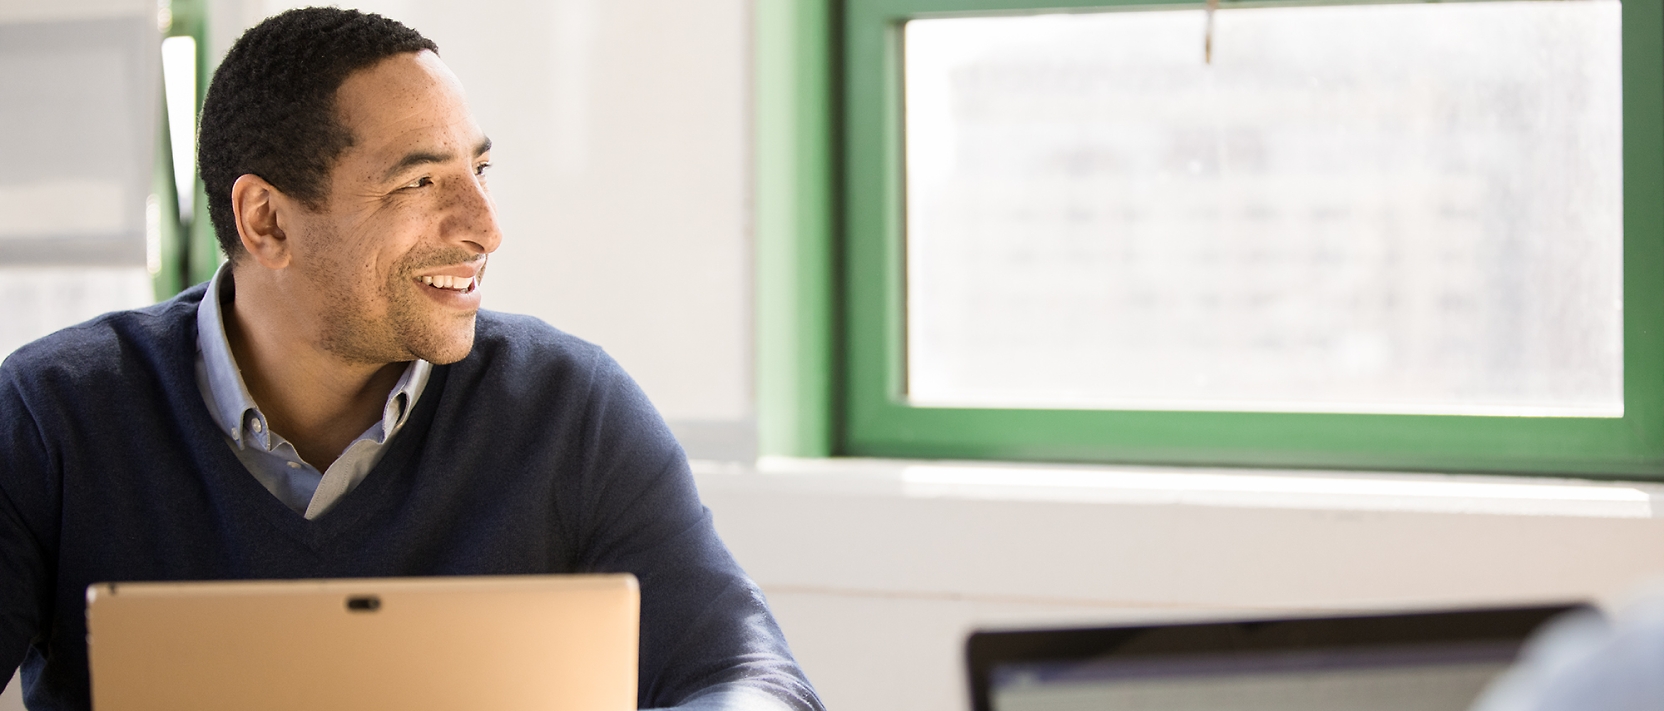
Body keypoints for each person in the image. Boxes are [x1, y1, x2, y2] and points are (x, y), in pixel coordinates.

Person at [0, 8, 823, 710]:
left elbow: (747, 674)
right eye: (420, 183)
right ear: (268, 223)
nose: (484, 226)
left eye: (480, 168)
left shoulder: (571, 408)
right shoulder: (51, 416)